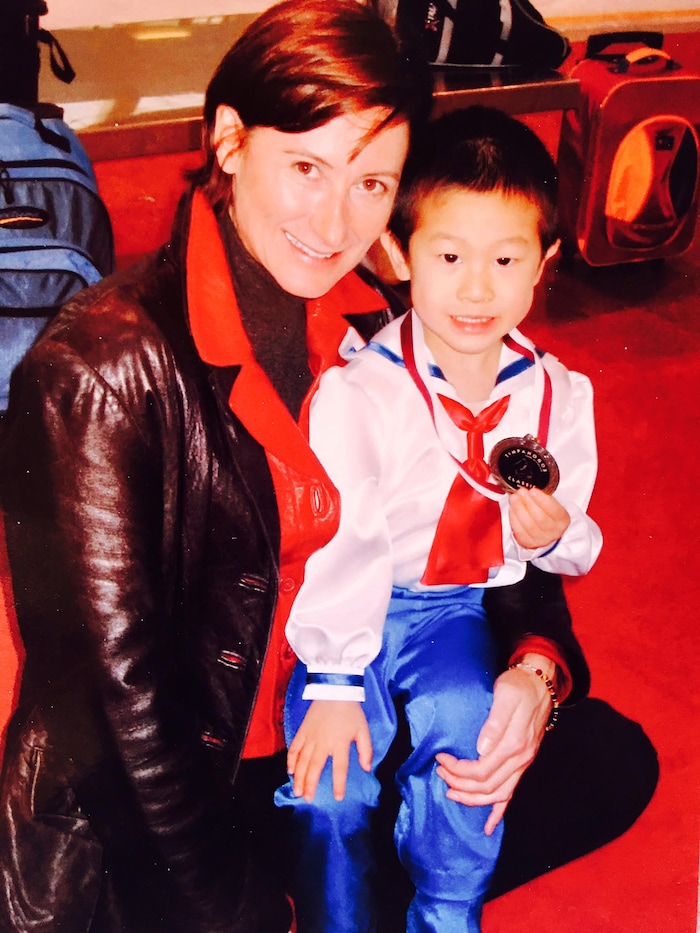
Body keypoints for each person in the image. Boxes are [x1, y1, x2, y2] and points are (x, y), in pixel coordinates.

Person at [0, 2, 656, 932]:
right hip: (191, 778)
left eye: (372, 182)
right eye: (306, 166)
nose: (335, 219)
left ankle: (344, 881)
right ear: (228, 139)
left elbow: (485, 527)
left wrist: (534, 671)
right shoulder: (101, 371)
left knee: (611, 757)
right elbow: (118, 709)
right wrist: (229, 909)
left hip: (363, 697)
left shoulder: (382, 316)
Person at [275, 106, 603, 932]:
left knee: (473, 728)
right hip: (353, 609)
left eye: (506, 259)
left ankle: (450, 909)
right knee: (331, 779)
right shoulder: (363, 392)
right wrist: (340, 682)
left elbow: (577, 549)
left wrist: (555, 532)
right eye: (449, 256)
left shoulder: (558, 396)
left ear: (545, 265)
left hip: (451, 609)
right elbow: (342, 545)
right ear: (398, 254)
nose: (477, 288)